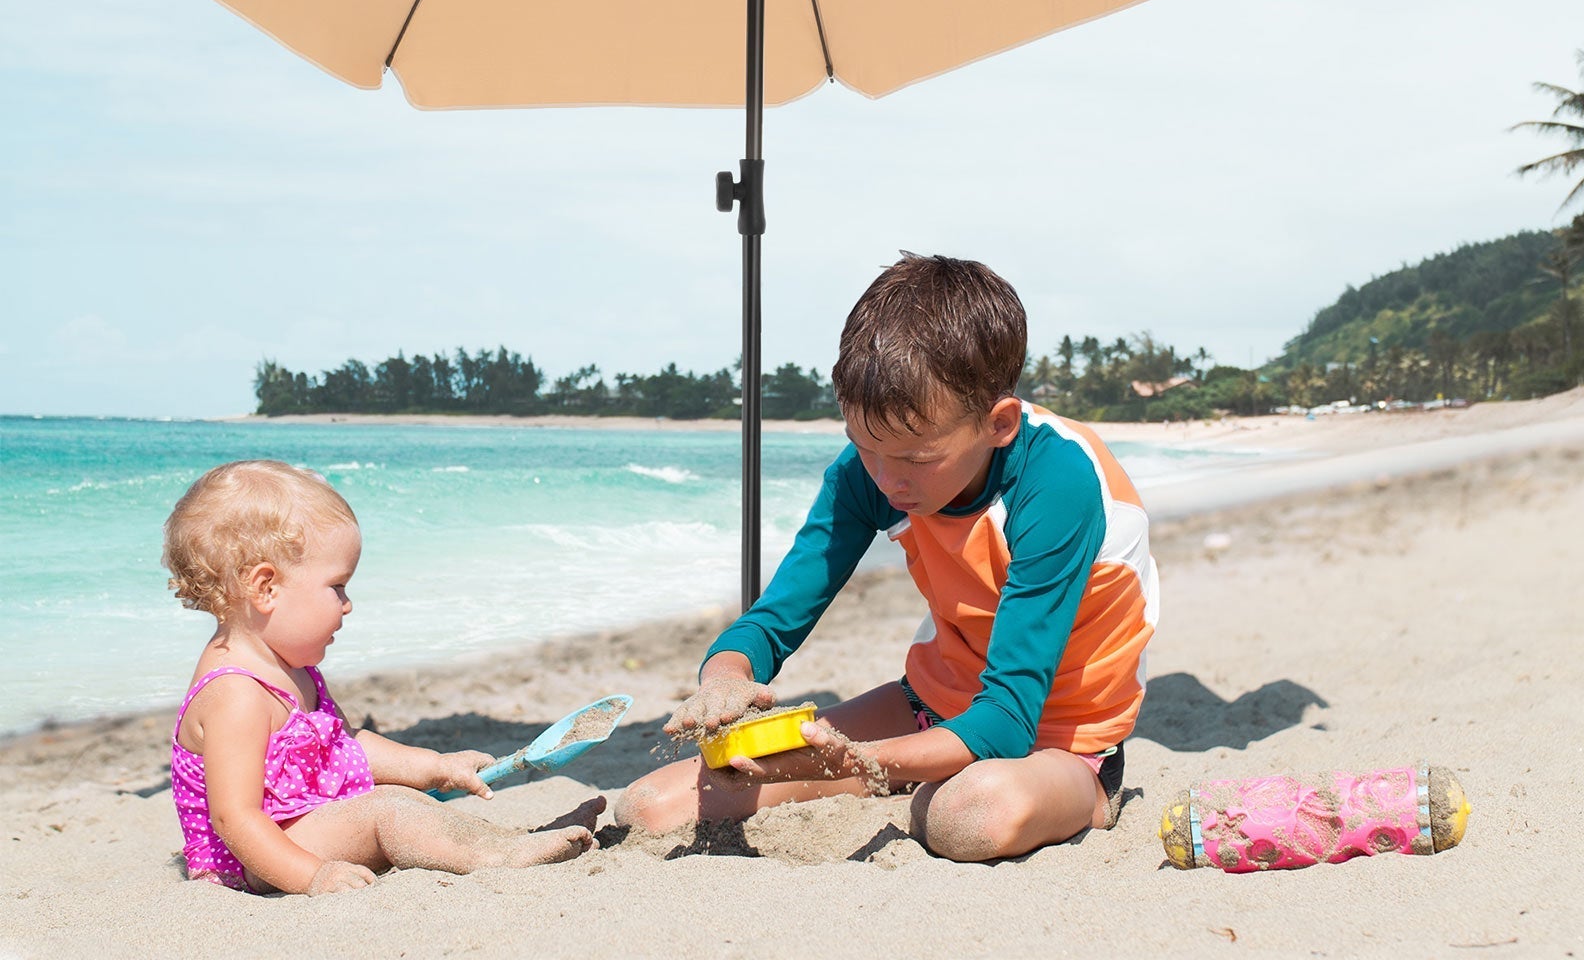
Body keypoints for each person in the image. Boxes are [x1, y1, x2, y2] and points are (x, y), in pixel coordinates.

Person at [615, 254, 1158, 861]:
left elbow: (1007, 718)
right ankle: (911, 768)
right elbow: (774, 620)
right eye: (863, 445)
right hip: (932, 705)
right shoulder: (872, 471)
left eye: (917, 459)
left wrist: (858, 761)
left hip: (1057, 735)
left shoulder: (1057, 484)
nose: (886, 479)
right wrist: (725, 680)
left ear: (998, 423)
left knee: (966, 817)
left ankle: (1089, 795)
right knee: (650, 807)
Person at [162, 459, 597, 893]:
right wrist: (311, 875)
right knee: (388, 808)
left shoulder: (295, 670)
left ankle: (511, 841)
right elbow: (234, 819)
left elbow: (346, 747)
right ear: (266, 587)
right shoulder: (235, 694)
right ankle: (499, 855)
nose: (347, 605)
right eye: (337, 588)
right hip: (257, 858)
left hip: (302, 826)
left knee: (406, 799)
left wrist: (435, 767)